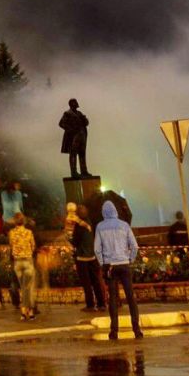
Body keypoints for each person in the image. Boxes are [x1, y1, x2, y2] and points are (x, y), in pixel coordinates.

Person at [94, 201, 143, 340]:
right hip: (124, 263)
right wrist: (130, 259)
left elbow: (97, 249)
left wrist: (102, 263)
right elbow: (134, 246)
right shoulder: (124, 225)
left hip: (110, 266)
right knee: (130, 297)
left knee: (113, 298)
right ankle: (137, 330)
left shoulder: (100, 227)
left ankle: (114, 331)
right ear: (115, 210)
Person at [71, 204, 106, 311]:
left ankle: (90, 304)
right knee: (95, 281)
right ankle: (101, 304)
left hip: (82, 258)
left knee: (86, 283)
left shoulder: (79, 227)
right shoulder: (90, 222)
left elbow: (75, 242)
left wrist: (70, 239)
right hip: (92, 256)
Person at [6, 213, 37, 320]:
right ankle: (29, 311)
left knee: (23, 287)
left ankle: (24, 310)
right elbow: (33, 246)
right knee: (28, 287)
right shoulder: (29, 232)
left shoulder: (11, 233)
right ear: (24, 221)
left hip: (17, 262)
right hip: (28, 260)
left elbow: (11, 245)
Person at [60, 98, 91, 178]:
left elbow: (86, 123)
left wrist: (85, 119)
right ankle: (74, 172)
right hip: (73, 137)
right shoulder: (67, 113)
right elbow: (61, 123)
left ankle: (84, 171)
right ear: (71, 104)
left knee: (82, 154)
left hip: (82, 135)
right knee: (73, 154)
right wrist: (71, 130)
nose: (77, 103)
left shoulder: (79, 113)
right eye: (75, 102)